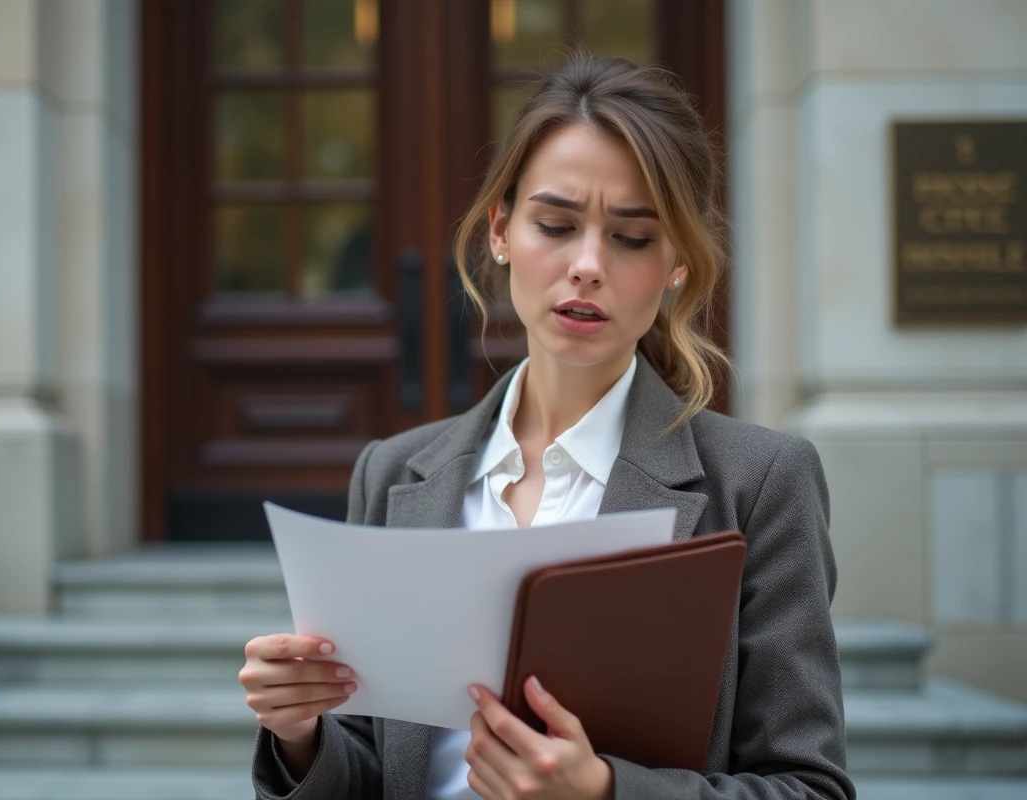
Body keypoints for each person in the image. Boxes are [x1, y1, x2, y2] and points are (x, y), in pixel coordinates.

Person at [239, 54, 855, 800]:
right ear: (501, 230)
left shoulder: (759, 483)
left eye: (632, 238)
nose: (587, 264)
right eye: (556, 225)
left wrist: (603, 791)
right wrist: (300, 734)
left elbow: (809, 788)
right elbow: (378, 773)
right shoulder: (395, 472)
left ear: (678, 265)